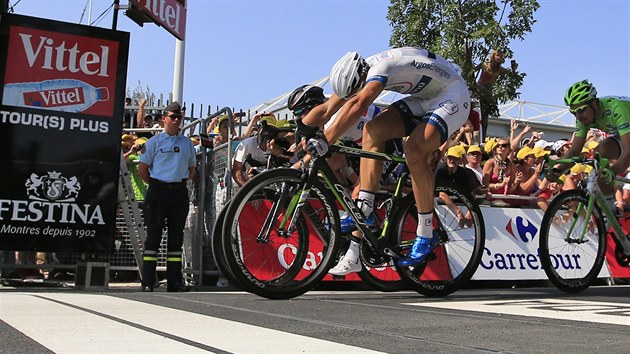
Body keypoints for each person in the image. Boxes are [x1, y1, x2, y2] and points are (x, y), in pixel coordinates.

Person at [301, 47, 470, 267]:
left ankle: (426, 233)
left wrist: (325, 140)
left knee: (414, 151)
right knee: (373, 129)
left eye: (355, 90)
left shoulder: (380, 70)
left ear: (362, 76)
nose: (353, 94)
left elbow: (359, 103)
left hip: (452, 96)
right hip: (424, 96)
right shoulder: (356, 74)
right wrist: (301, 129)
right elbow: (326, 109)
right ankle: (366, 209)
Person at [138, 101, 197, 292]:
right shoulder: (154, 142)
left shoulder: (187, 143)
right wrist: (158, 184)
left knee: (175, 239)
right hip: (157, 191)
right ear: (164, 119)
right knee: (153, 238)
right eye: (173, 117)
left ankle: (175, 282)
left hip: (178, 192)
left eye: (179, 117)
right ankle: (148, 281)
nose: (177, 120)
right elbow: (143, 170)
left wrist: (175, 183)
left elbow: (192, 170)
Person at [552, 80, 630, 214]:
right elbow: (575, 151)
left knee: (609, 172)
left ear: (594, 104)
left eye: (581, 110)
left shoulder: (616, 108)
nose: (578, 116)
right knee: (601, 156)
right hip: (623, 133)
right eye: (573, 112)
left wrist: (614, 171)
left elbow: (628, 151)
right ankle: (611, 213)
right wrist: (557, 171)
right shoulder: (582, 118)